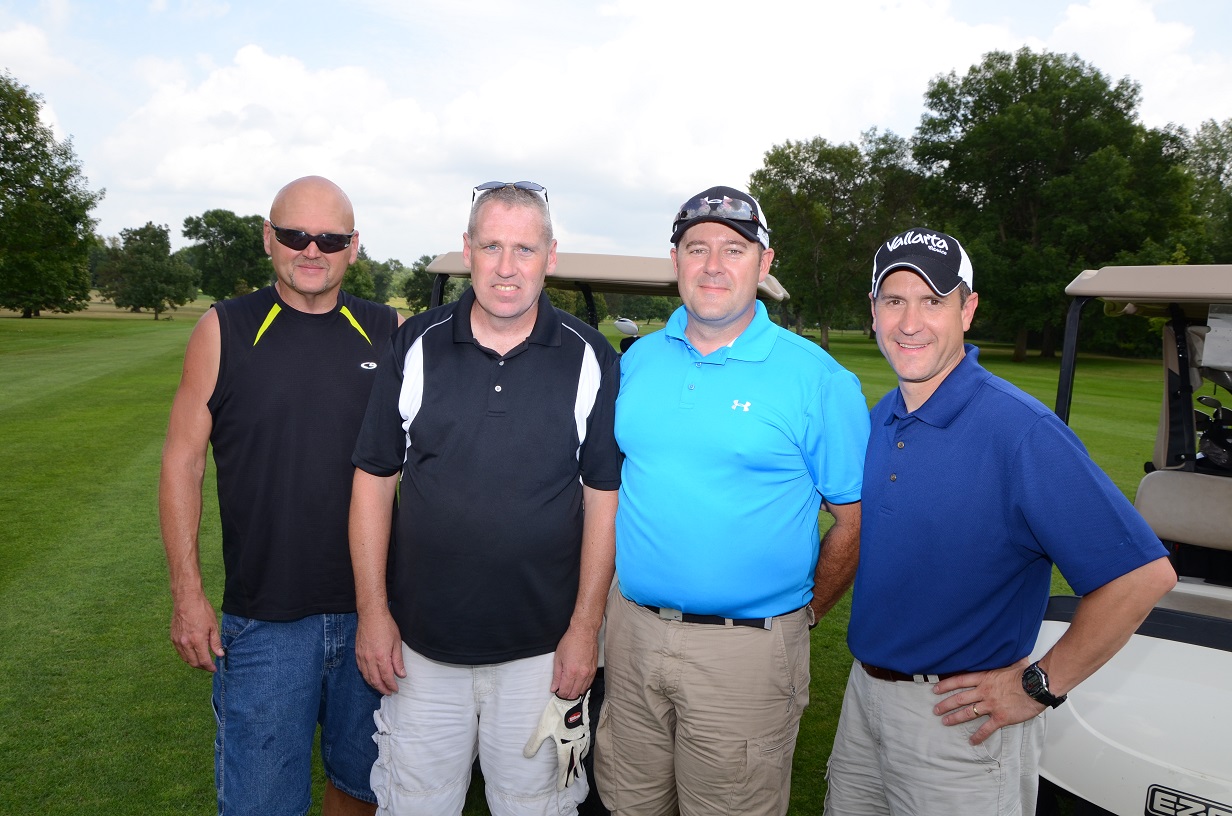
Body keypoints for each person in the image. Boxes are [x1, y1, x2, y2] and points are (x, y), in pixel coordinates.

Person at [823, 227, 1178, 815]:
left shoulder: (1021, 432)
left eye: (933, 301)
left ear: (968, 310)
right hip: (864, 701)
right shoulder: (882, 415)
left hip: (960, 726)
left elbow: (1142, 577)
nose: (910, 321)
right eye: (894, 300)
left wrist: (1039, 685)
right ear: (874, 312)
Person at [593, 185, 871, 815]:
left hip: (746, 655)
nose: (713, 264)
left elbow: (856, 521)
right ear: (675, 261)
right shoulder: (635, 364)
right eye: (697, 248)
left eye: (734, 249)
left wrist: (805, 614)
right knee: (627, 803)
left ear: (764, 263)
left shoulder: (819, 379)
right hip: (632, 636)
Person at [348, 180, 621, 815]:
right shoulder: (414, 344)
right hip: (420, 646)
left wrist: (586, 629)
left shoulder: (590, 357)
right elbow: (372, 480)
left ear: (550, 257)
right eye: (491, 246)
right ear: (467, 249)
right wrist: (373, 612)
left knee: (535, 807)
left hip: (542, 652)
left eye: (524, 249)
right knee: (415, 804)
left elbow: (602, 499)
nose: (506, 267)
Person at [159, 176, 401, 815]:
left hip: (372, 615)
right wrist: (187, 595)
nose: (311, 249)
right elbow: (182, 463)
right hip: (265, 620)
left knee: (362, 785)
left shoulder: (389, 330)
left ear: (354, 247)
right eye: (295, 235)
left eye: (330, 238)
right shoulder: (225, 328)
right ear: (269, 239)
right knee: (261, 802)